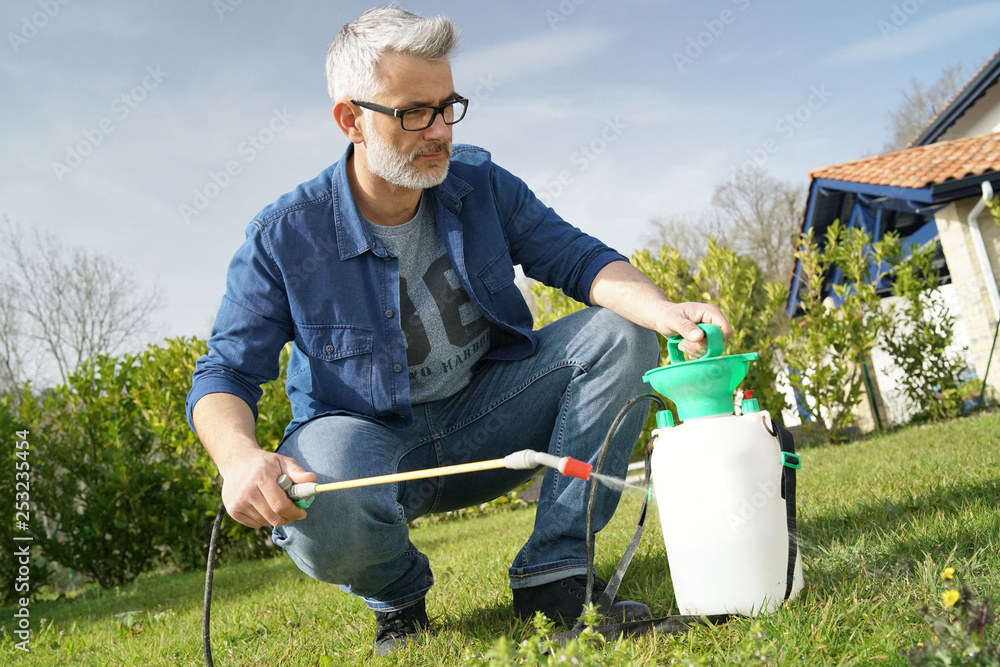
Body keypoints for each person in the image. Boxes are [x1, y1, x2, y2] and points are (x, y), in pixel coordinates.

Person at [186, 5, 732, 656]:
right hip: (371, 454)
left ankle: (555, 574)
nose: (440, 129)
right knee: (319, 493)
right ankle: (397, 597)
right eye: (415, 112)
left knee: (625, 331)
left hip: (490, 418)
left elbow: (580, 258)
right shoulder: (285, 236)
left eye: (449, 105)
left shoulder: (481, 185)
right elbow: (224, 374)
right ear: (350, 119)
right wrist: (237, 457)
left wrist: (663, 310)